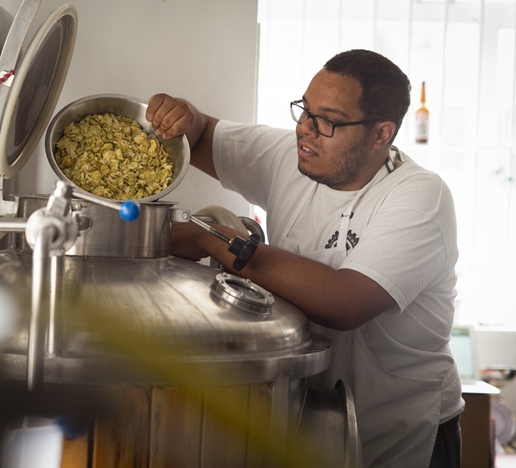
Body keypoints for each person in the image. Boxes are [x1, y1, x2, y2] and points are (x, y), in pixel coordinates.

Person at [146, 49, 463, 468]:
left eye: (328, 120)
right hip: (312, 421)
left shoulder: (420, 196)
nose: (305, 131)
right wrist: (184, 118)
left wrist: (214, 240)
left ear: (381, 134)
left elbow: (344, 302)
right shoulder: (294, 156)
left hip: (399, 432)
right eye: (304, 110)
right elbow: (202, 138)